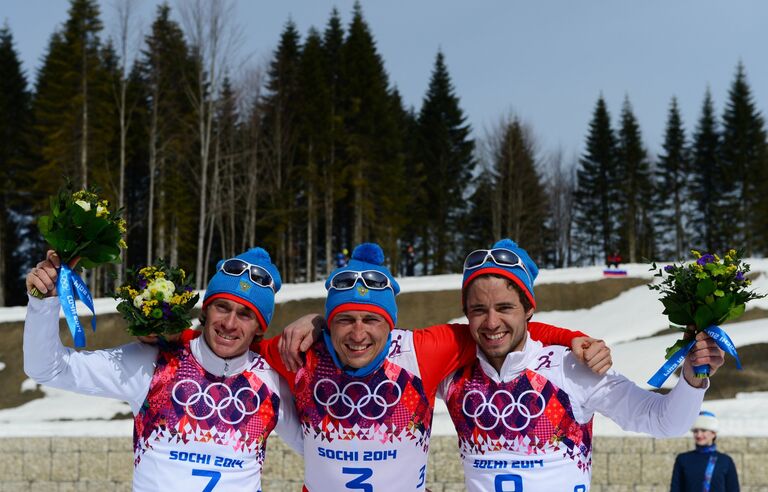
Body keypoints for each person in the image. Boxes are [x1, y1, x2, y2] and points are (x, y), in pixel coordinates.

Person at [261, 242, 611, 491]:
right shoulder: (302, 352)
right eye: (344, 320)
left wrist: (571, 337)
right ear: (331, 323)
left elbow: (500, 330)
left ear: (391, 324)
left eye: (371, 319)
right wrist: (314, 320)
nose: (357, 333)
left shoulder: (421, 350)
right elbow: (232, 342)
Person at [437, 239, 725, 492]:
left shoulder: (570, 368)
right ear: (466, 314)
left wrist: (692, 377)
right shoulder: (452, 373)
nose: (491, 322)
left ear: (528, 310)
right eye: (478, 310)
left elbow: (665, 422)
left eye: (504, 308)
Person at [23, 248, 303, 492]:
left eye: (245, 314)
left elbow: (328, 454)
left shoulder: (269, 384)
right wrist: (43, 304)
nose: (229, 323)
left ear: (260, 327)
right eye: (222, 307)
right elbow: (48, 368)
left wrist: (320, 325)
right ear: (205, 311)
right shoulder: (153, 364)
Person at [671, 410, 740, 492]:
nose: (699, 435)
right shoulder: (683, 459)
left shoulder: (725, 461)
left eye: (703, 430)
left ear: (713, 433)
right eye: (696, 431)